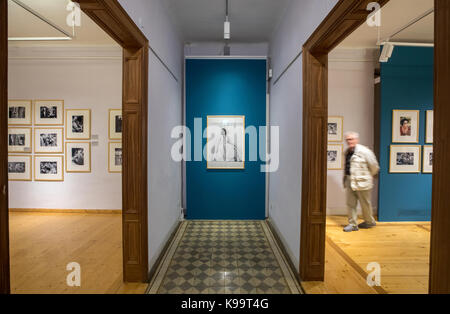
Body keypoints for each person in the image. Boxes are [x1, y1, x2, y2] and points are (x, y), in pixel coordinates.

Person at [343, 132, 380, 232]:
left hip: (362, 182)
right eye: (347, 139)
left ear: (356, 140)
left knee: (365, 204)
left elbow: (374, 166)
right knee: (350, 204)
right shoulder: (347, 152)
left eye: (351, 139)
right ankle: (353, 224)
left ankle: (369, 222)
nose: (349, 141)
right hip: (349, 180)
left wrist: (369, 176)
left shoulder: (365, 151)